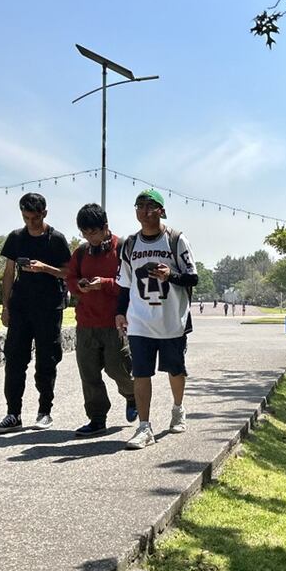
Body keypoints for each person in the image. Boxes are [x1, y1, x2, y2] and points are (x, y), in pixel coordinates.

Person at [116, 189, 198, 449]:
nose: (145, 211)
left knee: (175, 370)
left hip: (172, 320)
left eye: (151, 206)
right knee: (140, 373)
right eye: (140, 206)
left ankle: (178, 408)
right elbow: (123, 283)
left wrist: (170, 275)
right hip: (141, 320)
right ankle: (144, 427)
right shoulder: (130, 244)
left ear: (162, 211)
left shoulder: (175, 239)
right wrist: (119, 312)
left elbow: (192, 277)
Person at [0, 193, 72, 434]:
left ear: (45, 213)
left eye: (35, 218)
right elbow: (8, 273)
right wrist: (5, 306)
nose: (31, 223)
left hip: (48, 308)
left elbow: (67, 272)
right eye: (26, 218)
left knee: (46, 362)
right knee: (14, 362)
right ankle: (13, 414)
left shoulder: (56, 239)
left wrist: (45, 268)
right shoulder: (16, 237)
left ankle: (44, 411)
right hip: (21, 308)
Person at [64, 203, 136, 437]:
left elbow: (130, 284)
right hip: (86, 323)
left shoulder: (123, 248)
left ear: (105, 227)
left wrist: (104, 283)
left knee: (118, 368)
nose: (88, 237)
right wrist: (80, 287)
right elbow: (71, 278)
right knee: (89, 373)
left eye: (92, 232)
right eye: (84, 233)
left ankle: (132, 394)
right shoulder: (82, 252)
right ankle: (97, 419)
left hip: (114, 322)